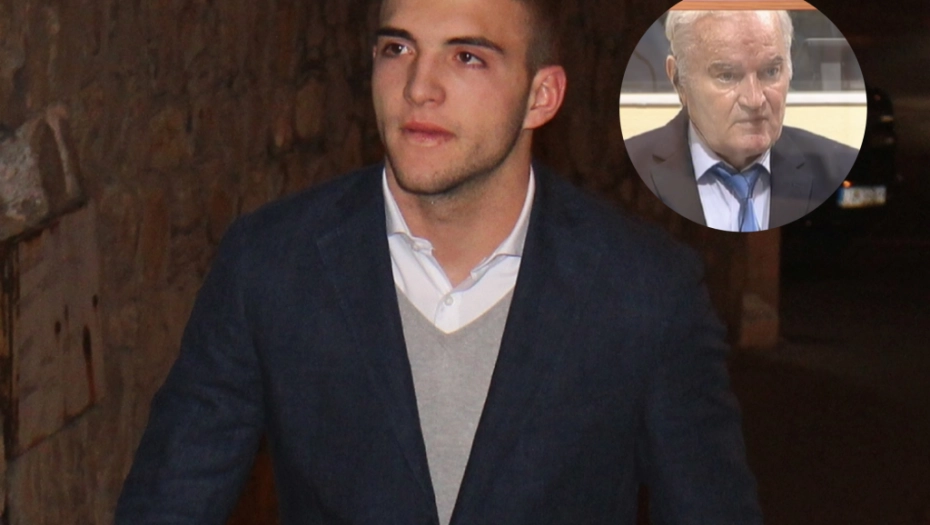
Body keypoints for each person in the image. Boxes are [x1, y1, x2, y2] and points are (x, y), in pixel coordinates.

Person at [115, 0, 763, 523]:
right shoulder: (271, 266)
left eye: (467, 57)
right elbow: (169, 501)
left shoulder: (646, 293)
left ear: (540, 96)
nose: (418, 88)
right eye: (396, 50)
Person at [625, 10, 859, 232]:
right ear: (677, 79)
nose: (754, 100)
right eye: (727, 76)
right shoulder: (628, 172)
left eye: (771, 72)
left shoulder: (836, 170)